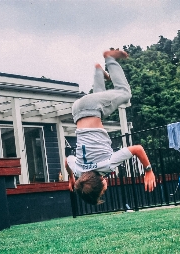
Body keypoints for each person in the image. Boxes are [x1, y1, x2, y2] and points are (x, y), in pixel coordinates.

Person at [65, 49, 156, 205]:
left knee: (125, 93)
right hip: (77, 111)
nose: (106, 189)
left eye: (103, 190)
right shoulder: (79, 171)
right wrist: (71, 178)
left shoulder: (107, 165)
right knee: (102, 102)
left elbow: (137, 149)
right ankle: (99, 72)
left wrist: (148, 170)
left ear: (101, 183)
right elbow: (68, 160)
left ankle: (110, 59)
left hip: (90, 107)